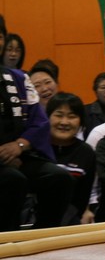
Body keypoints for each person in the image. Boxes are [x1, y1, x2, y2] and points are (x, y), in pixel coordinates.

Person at [0, 61, 73, 231]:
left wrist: (19, 145)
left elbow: (40, 121)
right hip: (5, 161)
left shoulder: (19, 78)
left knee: (59, 177)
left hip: (19, 153)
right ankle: (7, 240)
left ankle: (45, 235)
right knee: (12, 179)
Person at [47, 92, 96, 225]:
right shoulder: (36, 148)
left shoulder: (86, 152)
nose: (64, 122)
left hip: (68, 222)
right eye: (58, 115)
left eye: (72, 116)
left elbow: (83, 196)